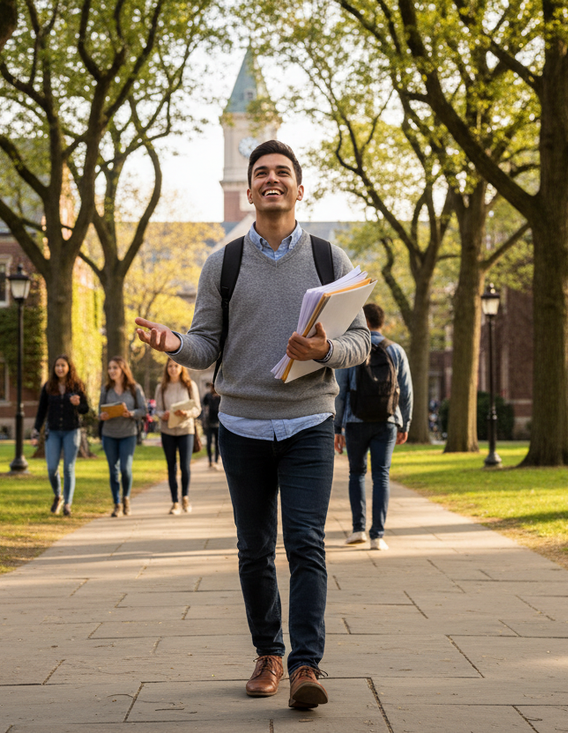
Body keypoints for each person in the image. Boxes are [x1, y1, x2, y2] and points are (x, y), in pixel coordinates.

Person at [135, 140, 370, 710]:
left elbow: (360, 342)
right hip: (241, 424)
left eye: (282, 173)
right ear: (249, 189)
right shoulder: (224, 262)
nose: (272, 180)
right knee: (254, 549)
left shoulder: (327, 258)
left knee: (308, 544)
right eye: (261, 172)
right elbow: (206, 344)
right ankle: (268, 652)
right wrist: (175, 343)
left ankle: (305, 665)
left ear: (299, 188)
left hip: (308, 421)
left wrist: (323, 350)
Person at [334, 303, 412, 551]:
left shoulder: (353, 349)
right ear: (381, 323)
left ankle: (358, 529)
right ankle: (378, 535)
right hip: (387, 421)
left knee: (356, 473)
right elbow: (407, 391)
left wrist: (337, 427)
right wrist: (405, 423)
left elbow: (340, 391)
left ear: (363, 321)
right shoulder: (396, 350)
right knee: (382, 476)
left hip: (356, 421)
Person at [31, 355, 90, 517]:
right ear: (54, 368)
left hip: (72, 431)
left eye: (63, 365)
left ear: (69, 367)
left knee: (68, 468)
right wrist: (36, 431)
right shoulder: (49, 387)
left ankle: (68, 504)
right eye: (57, 365)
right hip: (54, 431)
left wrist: (79, 404)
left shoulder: (77, 386)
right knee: (51, 468)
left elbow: (86, 409)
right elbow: (41, 411)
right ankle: (58, 495)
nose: (60, 368)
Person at [98, 356, 147, 518]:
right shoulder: (106, 389)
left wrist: (131, 413)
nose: (111, 371)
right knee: (113, 471)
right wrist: (103, 416)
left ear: (123, 369)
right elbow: (100, 411)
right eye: (110, 368)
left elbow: (143, 410)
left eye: (115, 368)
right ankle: (117, 503)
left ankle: (126, 497)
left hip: (128, 434)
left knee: (125, 469)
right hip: (109, 434)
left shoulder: (134, 388)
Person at [154, 360, 202, 515]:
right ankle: (175, 502)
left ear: (181, 368)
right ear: (166, 369)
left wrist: (187, 413)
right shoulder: (161, 388)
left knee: (185, 466)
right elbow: (157, 411)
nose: (173, 369)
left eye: (176, 366)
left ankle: (185, 497)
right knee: (171, 466)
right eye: (170, 366)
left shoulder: (190, 385)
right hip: (167, 430)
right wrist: (164, 415)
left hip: (186, 430)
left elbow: (197, 408)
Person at [202, 383, 222, 470]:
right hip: (209, 423)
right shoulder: (208, 396)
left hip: (218, 423)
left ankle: (216, 460)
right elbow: (204, 403)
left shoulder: (220, 396)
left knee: (217, 443)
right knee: (209, 442)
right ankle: (210, 461)